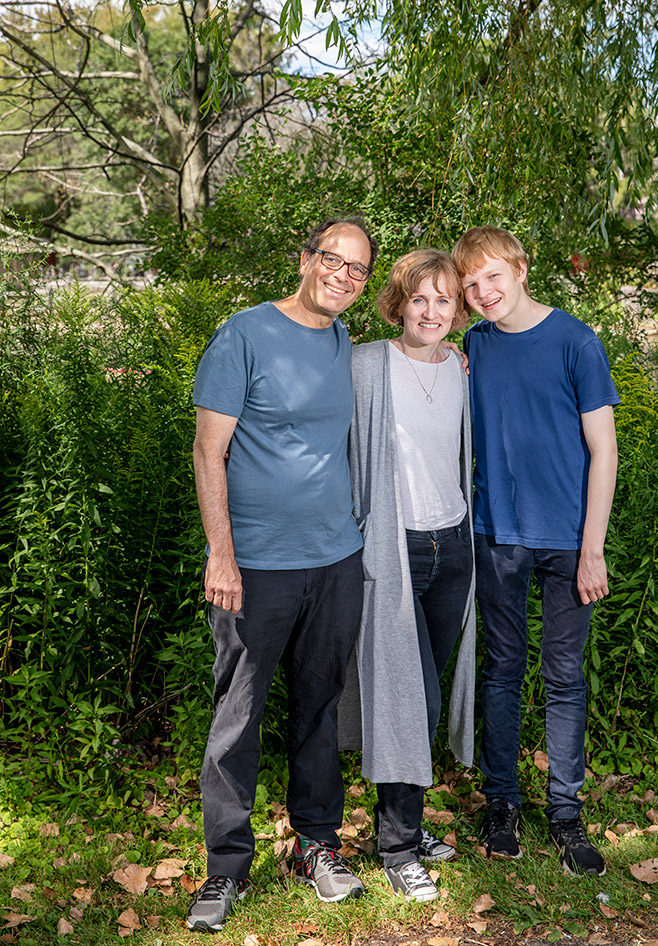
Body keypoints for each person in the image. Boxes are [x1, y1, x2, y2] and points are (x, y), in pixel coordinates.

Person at [187, 218, 378, 932]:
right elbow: (210, 452)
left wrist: (451, 354)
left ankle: (314, 846)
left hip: (334, 558)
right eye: (333, 259)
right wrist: (221, 553)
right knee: (237, 716)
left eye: (358, 269)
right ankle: (225, 869)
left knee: (319, 710)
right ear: (304, 259)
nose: (343, 276)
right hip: (255, 567)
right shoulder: (243, 334)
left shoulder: (341, 342)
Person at [452, 226, 619, 876]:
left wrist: (593, 548)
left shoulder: (575, 340)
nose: (483, 292)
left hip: (568, 540)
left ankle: (566, 813)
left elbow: (603, 449)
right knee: (501, 668)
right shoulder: (475, 345)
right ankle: (502, 805)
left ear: (522, 268)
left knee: (563, 676)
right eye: (470, 285)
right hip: (498, 534)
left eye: (492, 276)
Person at [339, 249, 476, 902]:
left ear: (458, 309)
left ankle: (408, 826)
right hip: (393, 553)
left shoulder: (460, 368)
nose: (431, 311)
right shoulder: (367, 365)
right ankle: (396, 849)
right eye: (419, 298)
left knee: (422, 699)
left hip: (454, 549)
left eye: (444, 300)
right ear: (398, 303)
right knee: (409, 698)